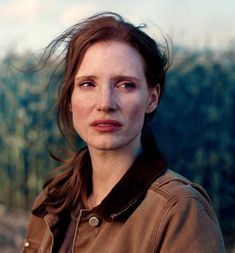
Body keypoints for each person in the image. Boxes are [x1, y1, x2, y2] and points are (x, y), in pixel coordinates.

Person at [22, 12, 225, 253]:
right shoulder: (52, 201)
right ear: (69, 98)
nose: (105, 103)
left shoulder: (179, 211)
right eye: (88, 84)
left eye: (126, 85)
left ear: (152, 98)